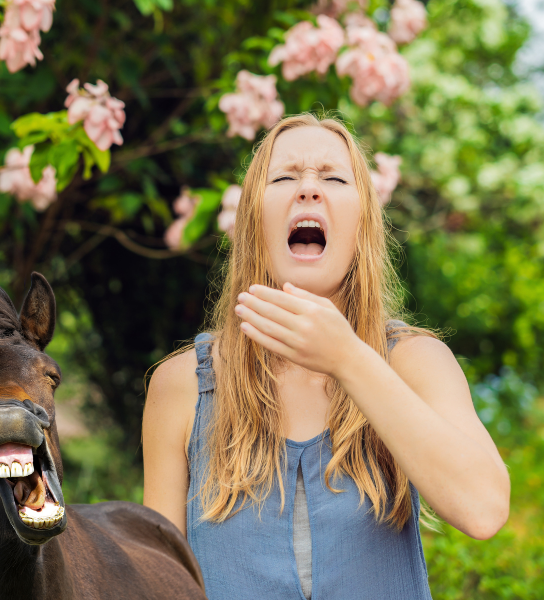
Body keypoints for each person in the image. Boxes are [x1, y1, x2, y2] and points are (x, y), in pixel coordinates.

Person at [142, 114, 510, 600]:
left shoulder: (417, 362)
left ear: (362, 224)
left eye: (333, 178)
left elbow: (483, 510)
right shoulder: (182, 384)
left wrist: (349, 359)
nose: (309, 190)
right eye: (285, 177)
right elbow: (158, 583)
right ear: (254, 220)